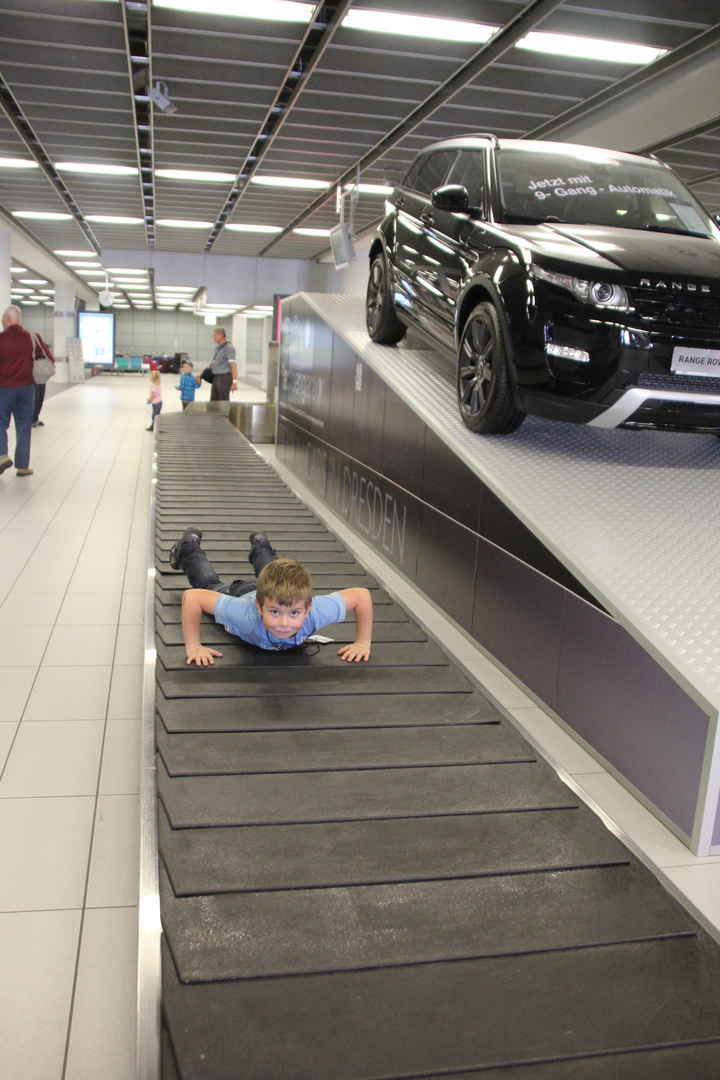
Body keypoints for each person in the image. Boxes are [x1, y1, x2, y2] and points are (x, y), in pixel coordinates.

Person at [171, 528, 373, 665]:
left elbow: (361, 596)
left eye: (294, 613)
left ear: (307, 609)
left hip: (269, 594)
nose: (284, 623)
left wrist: (362, 643)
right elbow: (193, 597)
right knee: (209, 584)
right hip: (240, 594)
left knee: (270, 570)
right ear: (260, 608)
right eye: (275, 613)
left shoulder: (315, 612)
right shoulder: (244, 615)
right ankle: (187, 546)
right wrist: (194, 647)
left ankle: (260, 542)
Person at [0, 305, 36, 477]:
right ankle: (22, 466)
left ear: (7, 319)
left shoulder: (1, 339)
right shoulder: (32, 337)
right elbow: (47, 358)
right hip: (27, 389)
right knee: (23, 427)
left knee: (0, 423)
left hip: (4, 388)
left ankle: (1, 455)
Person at [209, 327, 237, 401]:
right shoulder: (217, 348)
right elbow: (213, 363)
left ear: (221, 336)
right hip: (216, 378)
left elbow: (233, 365)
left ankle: (224, 413)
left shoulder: (229, 348)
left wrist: (234, 382)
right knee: (214, 401)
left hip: (224, 378)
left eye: (215, 335)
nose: (213, 337)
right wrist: (201, 375)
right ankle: (215, 413)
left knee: (223, 401)